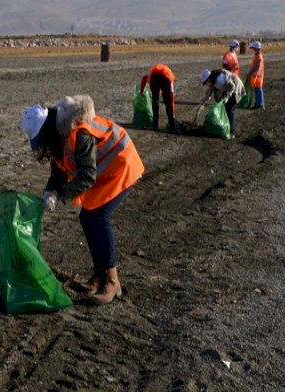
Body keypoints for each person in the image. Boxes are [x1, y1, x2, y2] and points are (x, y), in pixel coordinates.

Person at [21, 95, 145, 304]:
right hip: (106, 173)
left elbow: (87, 176)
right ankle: (99, 275)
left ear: (47, 131)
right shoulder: (60, 138)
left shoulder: (80, 134)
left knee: (98, 216)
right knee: (87, 217)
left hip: (122, 164)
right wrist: (49, 191)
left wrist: (59, 194)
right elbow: (59, 170)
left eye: (40, 140)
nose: (41, 146)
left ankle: (113, 281)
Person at [196, 68, 245, 139]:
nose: (206, 84)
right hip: (228, 88)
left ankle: (232, 132)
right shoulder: (212, 82)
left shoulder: (219, 79)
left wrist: (227, 97)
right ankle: (225, 126)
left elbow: (232, 87)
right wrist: (201, 105)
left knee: (229, 109)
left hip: (236, 88)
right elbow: (208, 95)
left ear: (208, 79)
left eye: (205, 82)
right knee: (224, 108)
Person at [139, 64, 179, 134]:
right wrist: (173, 114)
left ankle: (155, 125)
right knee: (167, 103)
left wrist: (141, 92)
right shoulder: (170, 79)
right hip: (165, 77)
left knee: (155, 101)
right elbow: (171, 98)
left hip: (154, 76)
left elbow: (144, 78)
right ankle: (172, 127)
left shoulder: (152, 74)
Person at [245, 40, 265, 110]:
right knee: (257, 91)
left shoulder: (259, 57)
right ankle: (258, 104)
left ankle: (260, 105)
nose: (253, 50)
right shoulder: (257, 56)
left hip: (258, 78)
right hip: (256, 78)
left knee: (258, 91)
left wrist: (250, 72)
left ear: (257, 49)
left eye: (254, 49)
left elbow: (256, 67)